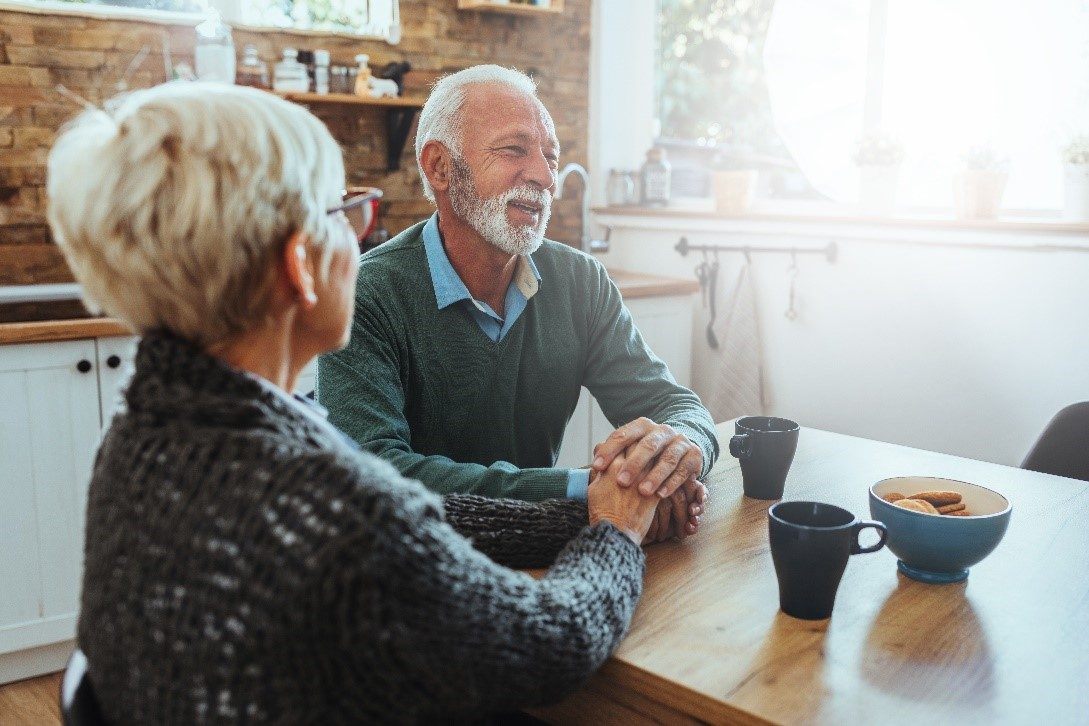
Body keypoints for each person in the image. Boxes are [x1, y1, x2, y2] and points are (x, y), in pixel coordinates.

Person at [47, 82, 662, 723]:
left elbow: (421, 521)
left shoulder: (145, 432)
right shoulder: (333, 515)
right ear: (299, 264)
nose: (360, 240)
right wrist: (615, 533)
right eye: (345, 214)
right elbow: (550, 646)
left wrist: (587, 508)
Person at [318, 65, 718, 542]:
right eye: (515, 150)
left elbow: (673, 404)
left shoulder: (580, 281)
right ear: (439, 167)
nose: (546, 178)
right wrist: (585, 491)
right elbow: (372, 472)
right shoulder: (366, 293)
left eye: (551, 157)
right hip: (414, 564)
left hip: (545, 549)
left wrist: (674, 456)